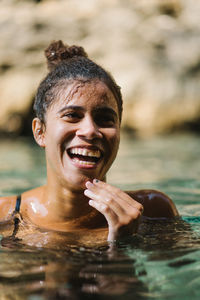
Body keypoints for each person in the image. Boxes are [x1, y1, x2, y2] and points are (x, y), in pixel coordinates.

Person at [0, 40, 178, 248]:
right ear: (40, 132)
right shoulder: (5, 218)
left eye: (105, 119)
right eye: (72, 115)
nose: (91, 130)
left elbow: (180, 278)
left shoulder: (153, 212)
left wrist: (123, 243)